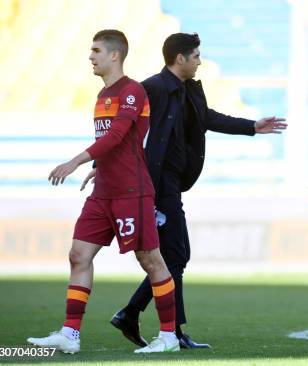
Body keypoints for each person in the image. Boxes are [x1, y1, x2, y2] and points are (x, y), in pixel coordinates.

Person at [108, 32, 287, 349]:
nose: (200, 61)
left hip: (172, 185)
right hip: (156, 186)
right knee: (175, 255)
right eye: (196, 56)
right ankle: (167, 329)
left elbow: (207, 118)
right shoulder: (153, 88)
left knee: (175, 255)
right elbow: (125, 130)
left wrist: (252, 127)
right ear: (181, 58)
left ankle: (133, 313)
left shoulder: (187, 90)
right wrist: (105, 166)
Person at [27, 29, 180, 354]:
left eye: (96, 50)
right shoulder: (102, 96)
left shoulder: (132, 91)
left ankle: (168, 337)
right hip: (104, 192)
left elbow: (117, 136)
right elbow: (117, 144)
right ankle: (70, 334)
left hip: (131, 192)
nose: (91, 56)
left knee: (150, 259)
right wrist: (99, 168)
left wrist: (76, 161)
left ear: (115, 55)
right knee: (78, 255)